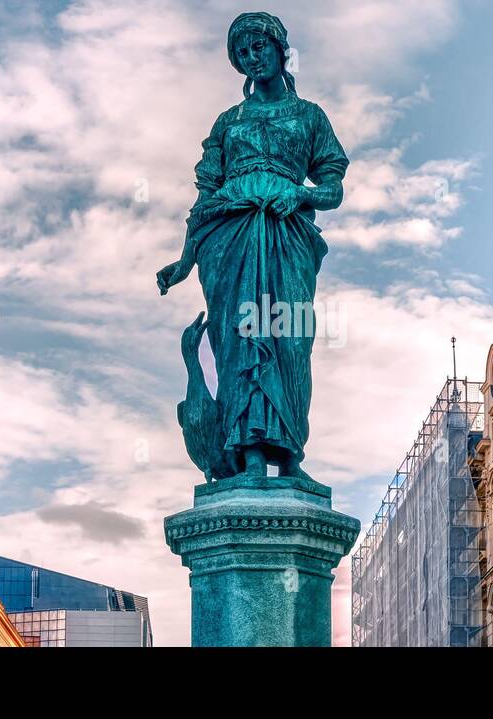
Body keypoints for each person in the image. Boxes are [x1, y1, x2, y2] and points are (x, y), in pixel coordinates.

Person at [157, 12, 349, 482]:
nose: (251, 58)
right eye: (242, 53)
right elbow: (204, 195)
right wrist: (185, 260)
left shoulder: (310, 116)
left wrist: (300, 194)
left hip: (287, 237)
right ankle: (247, 458)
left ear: (281, 49)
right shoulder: (228, 122)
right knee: (239, 342)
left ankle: (289, 458)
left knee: (289, 341)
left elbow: (333, 187)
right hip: (230, 241)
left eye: (258, 47)